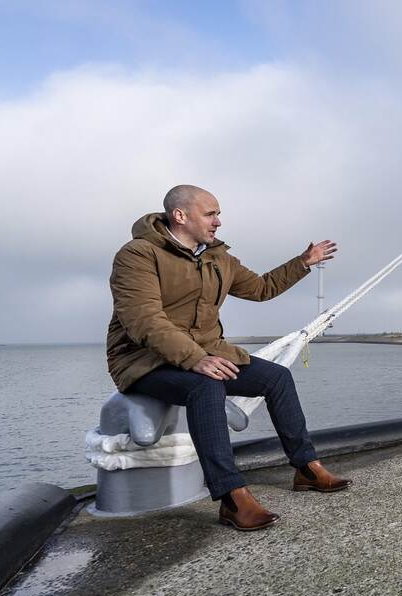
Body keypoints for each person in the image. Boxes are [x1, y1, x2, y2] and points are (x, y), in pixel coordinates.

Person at [106, 184, 351, 531]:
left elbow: (261, 288)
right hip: (143, 360)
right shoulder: (138, 255)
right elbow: (142, 319)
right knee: (205, 386)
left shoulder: (217, 257)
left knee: (276, 378)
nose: (219, 221)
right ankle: (232, 497)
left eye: (218, 214)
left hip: (204, 354)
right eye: (211, 213)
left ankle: (306, 468)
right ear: (180, 216)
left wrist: (302, 263)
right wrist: (194, 359)